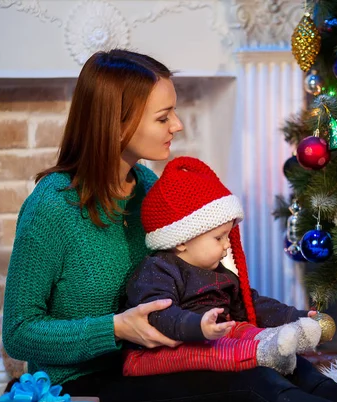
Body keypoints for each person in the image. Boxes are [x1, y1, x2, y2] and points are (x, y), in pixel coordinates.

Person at [2, 49, 337, 402]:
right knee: (252, 385)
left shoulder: (145, 186)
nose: (177, 125)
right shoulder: (52, 207)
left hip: (164, 357)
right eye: (163, 117)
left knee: (298, 372)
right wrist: (116, 327)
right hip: (84, 383)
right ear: (116, 123)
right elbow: (19, 333)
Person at [122, 156, 322, 377]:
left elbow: (250, 305)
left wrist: (296, 316)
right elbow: (158, 315)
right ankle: (263, 352)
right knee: (215, 349)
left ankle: (285, 338)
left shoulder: (219, 273)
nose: (228, 244)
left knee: (244, 330)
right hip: (164, 351)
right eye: (219, 238)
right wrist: (198, 326)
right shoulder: (158, 270)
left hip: (216, 337)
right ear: (181, 240)